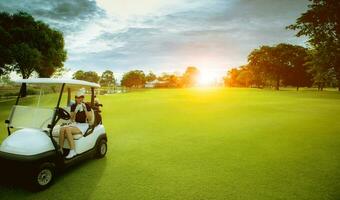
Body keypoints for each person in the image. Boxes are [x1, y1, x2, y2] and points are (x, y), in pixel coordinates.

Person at [59, 89, 92, 159]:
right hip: (76, 124)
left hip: (84, 125)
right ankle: (60, 149)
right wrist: (75, 110)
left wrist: (85, 109)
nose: (79, 99)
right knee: (62, 129)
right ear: (75, 98)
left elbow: (90, 119)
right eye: (77, 97)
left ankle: (72, 151)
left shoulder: (87, 105)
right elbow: (71, 118)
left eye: (80, 97)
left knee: (67, 129)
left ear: (83, 98)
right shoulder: (73, 106)